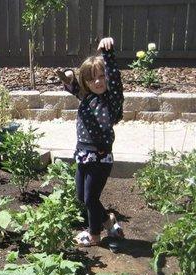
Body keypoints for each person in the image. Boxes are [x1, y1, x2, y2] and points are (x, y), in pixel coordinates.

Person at [58, 37, 125, 246]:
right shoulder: (86, 97)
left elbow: (115, 79)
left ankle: (94, 235)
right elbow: (73, 85)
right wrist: (68, 76)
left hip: (101, 157)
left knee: (90, 198)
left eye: (101, 76)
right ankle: (108, 220)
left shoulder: (111, 101)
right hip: (83, 154)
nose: (98, 82)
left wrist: (108, 54)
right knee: (81, 196)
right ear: (86, 82)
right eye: (92, 79)